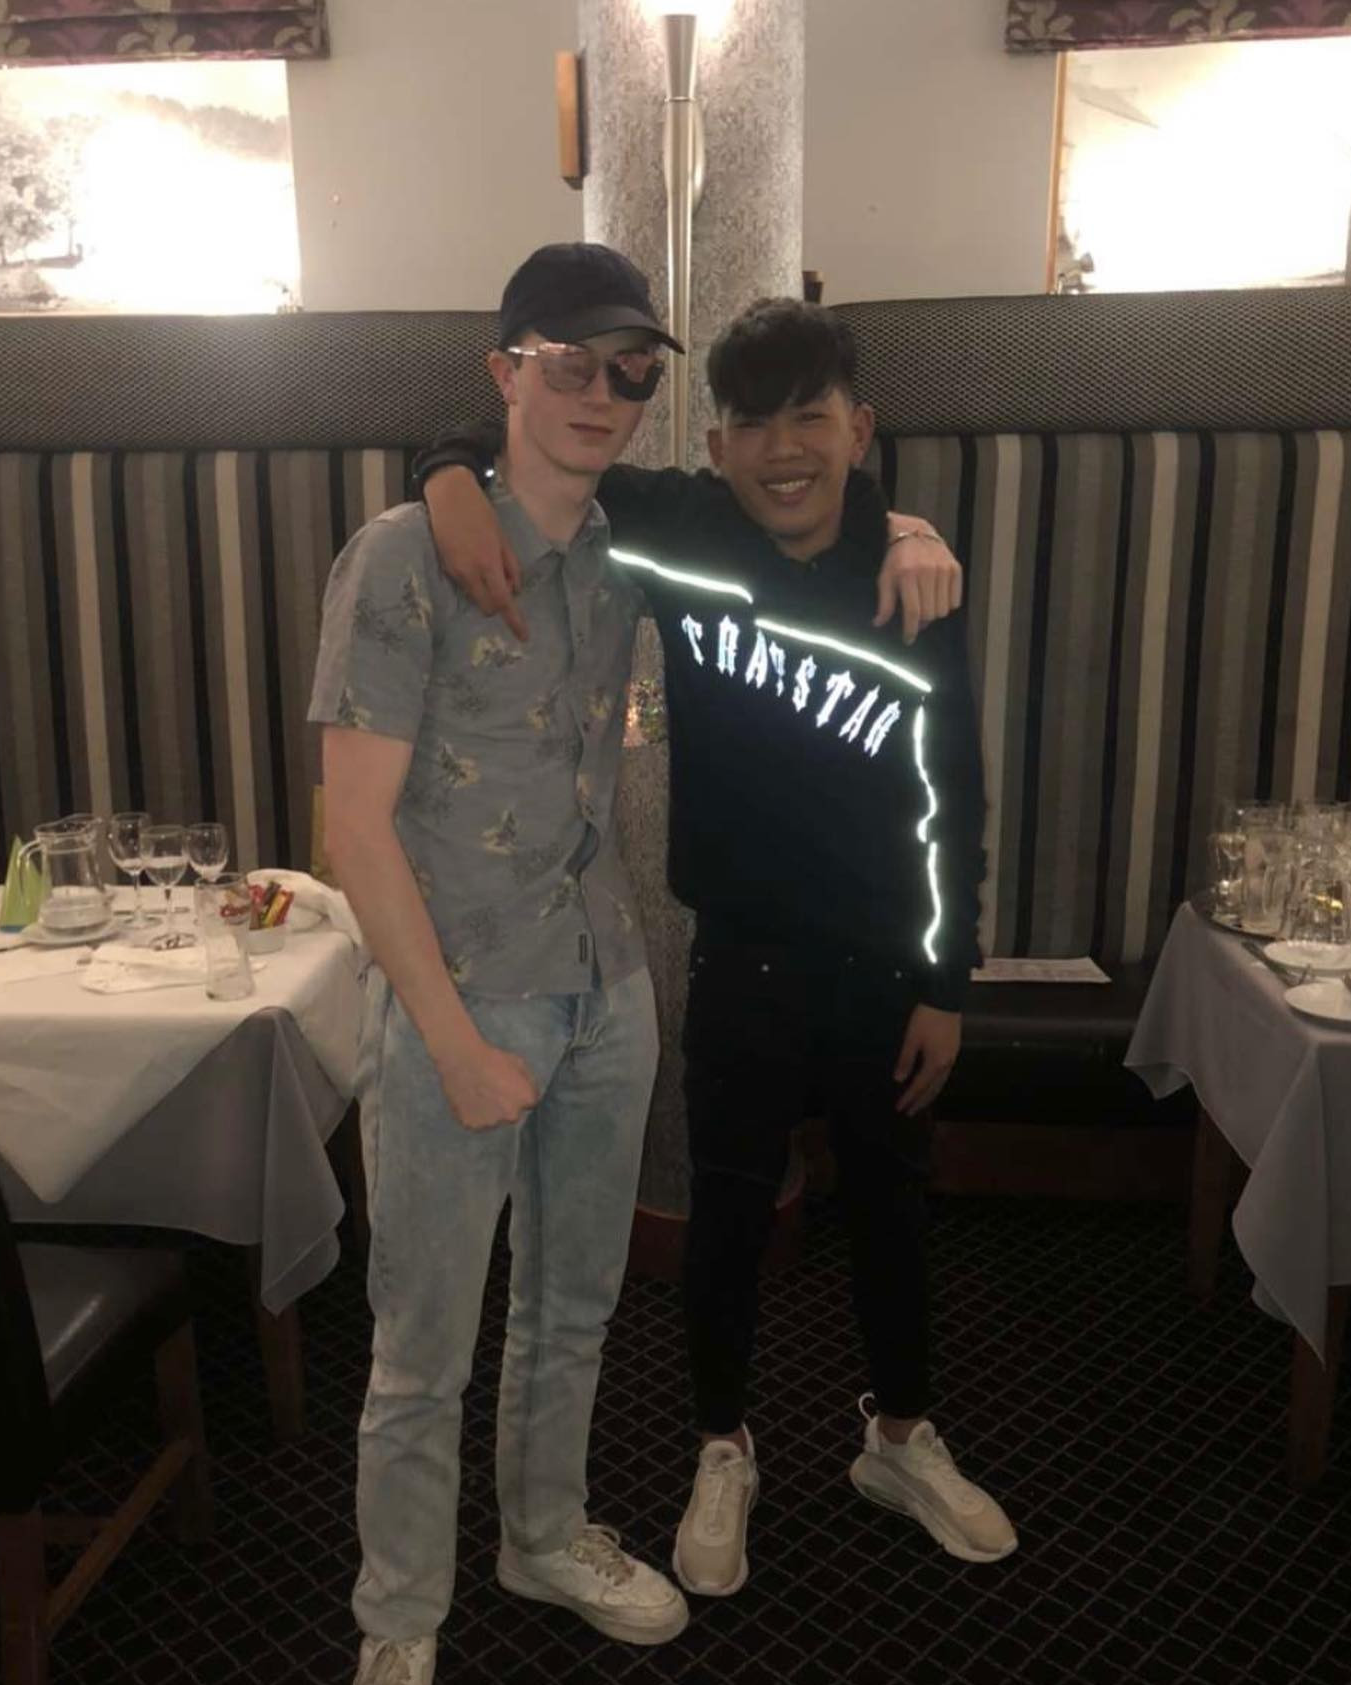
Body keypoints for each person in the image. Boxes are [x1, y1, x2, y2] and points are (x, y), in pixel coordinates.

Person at [416, 296, 1017, 1610]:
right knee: (727, 1214)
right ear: (716, 443)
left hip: (887, 960)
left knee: (892, 1210)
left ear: (860, 429)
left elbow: (953, 790)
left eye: (811, 418)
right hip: (743, 952)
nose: (783, 448)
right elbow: (523, 439)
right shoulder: (683, 526)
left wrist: (947, 979)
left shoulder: (913, 577)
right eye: (752, 423)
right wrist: (446, 479)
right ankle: (720, 1446)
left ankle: (900, 1438)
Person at [309, 242, 694, 1685]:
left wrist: (913, 526)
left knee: (574, 1309)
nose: (604, 393)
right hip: (458, 1000)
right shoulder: (401, 557)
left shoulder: (624, 550)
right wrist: (455, 1043)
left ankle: (540, 1537)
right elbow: (352, 829)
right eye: (572, 363)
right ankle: (397, 1631)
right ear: (507, 370)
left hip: (608, 981)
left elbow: (798, 515)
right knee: (421, 1354)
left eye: (633, 372)